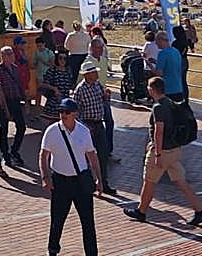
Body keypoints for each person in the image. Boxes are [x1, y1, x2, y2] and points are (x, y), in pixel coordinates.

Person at [123, 76, 202, 226]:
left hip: (163, 150)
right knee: (181, 181)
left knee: (149, 181)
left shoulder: (158, 107)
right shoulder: (170, 103)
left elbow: (159, 131)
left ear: (152, 89)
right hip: (174, 150)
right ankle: (199, 211)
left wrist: (157, 153)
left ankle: (141, 211)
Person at [40, 97, 101, 256]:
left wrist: (99, 179)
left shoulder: (83, 131)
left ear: (75, 113)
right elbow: (43, 155)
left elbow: (92, 156)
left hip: (81, 181)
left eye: (66, 112)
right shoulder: (52, 131)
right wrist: (46, 177)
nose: (62, 114)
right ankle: (53, 249)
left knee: (88, 222)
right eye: (60, 111)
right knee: (57, 220)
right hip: (60, 182)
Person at [72, 61, 117, 196]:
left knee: (102, 155)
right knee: (86, 157)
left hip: (99, 124)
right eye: (94, 72)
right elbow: (75, 112)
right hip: (88, 126)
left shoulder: (97, 85)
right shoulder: (80, 90)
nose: (97, 74)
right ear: (87, 75)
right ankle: (88, 183)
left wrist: (106, 97)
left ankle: (103, 182)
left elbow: (102, 101)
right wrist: (84, 127)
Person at [0, 45, 27, 167]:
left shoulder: (15, 68)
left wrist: (26, 101)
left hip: (16, 101)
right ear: (3, 56)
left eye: (12, 54)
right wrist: (5, 108)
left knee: (21, 127)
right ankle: (5, 154)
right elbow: (0, 91)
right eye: (8, 54)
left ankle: (14, 150)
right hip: (5, 102)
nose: (11, 56)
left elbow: (20, 85)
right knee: (4, 129)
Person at [41, 50, 76, 118]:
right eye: (60, 58)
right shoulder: (52, 71)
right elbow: (43, 84)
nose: (62, 60)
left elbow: (71, 85)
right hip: (53, 103)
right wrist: (54, 89)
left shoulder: (68, 71)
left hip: (65, 103)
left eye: (64, 58)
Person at [154, 31, 185, 104]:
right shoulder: (176, 51)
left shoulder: (162, 53)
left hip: (167, 90)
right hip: (179, 88)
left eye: (156, 41)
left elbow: (159, 73)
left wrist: (151, 66)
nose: (156, 43)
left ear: (161, 40)